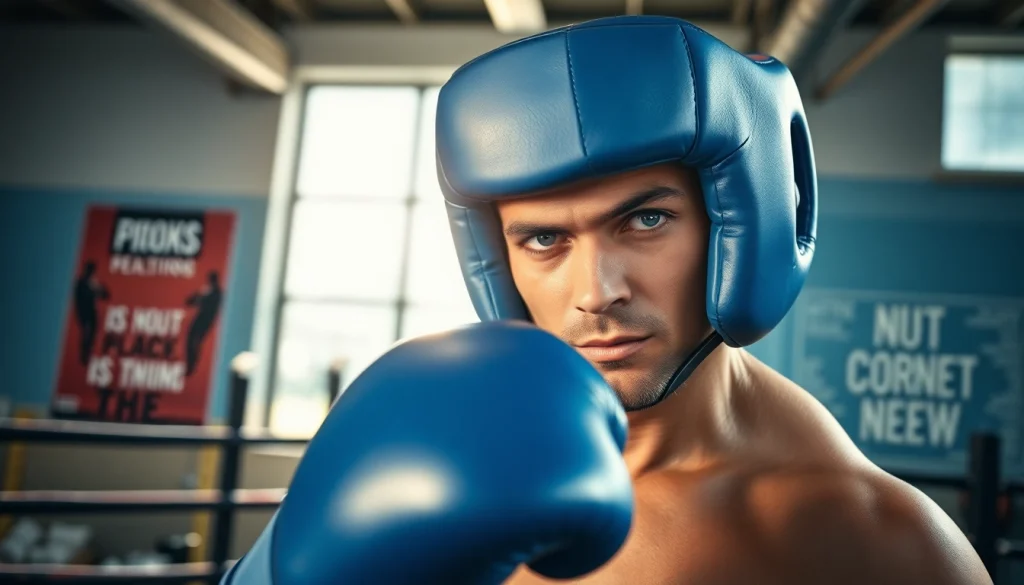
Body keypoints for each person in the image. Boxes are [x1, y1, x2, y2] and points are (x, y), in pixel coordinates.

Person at [222, 15, 992, 585]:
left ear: (741, 224)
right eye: (544, 241)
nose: (597, 292)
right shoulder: (437, 448)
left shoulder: (875, 542)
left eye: (646, 219)